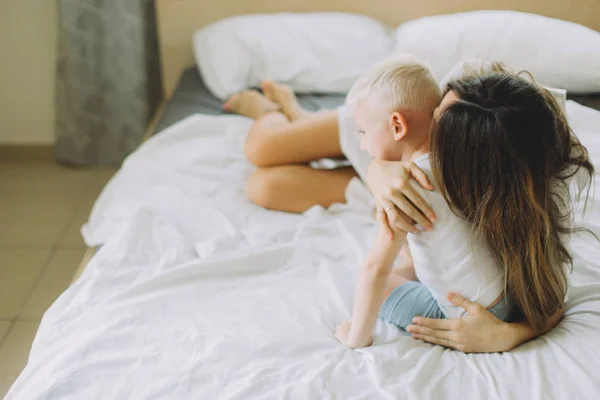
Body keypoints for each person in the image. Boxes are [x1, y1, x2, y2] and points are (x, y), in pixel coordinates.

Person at [223, 61, 590, 352]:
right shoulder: (472, 96)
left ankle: (298, 119)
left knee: (264, 187)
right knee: (261, 150)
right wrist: (379, 169)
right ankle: (271, 111)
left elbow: (550, 293)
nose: (431, 133)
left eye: (439, 130)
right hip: (379, 117)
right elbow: (406, 129)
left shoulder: (524, 182)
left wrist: (509, 334)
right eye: (435, 115)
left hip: (395, 148)